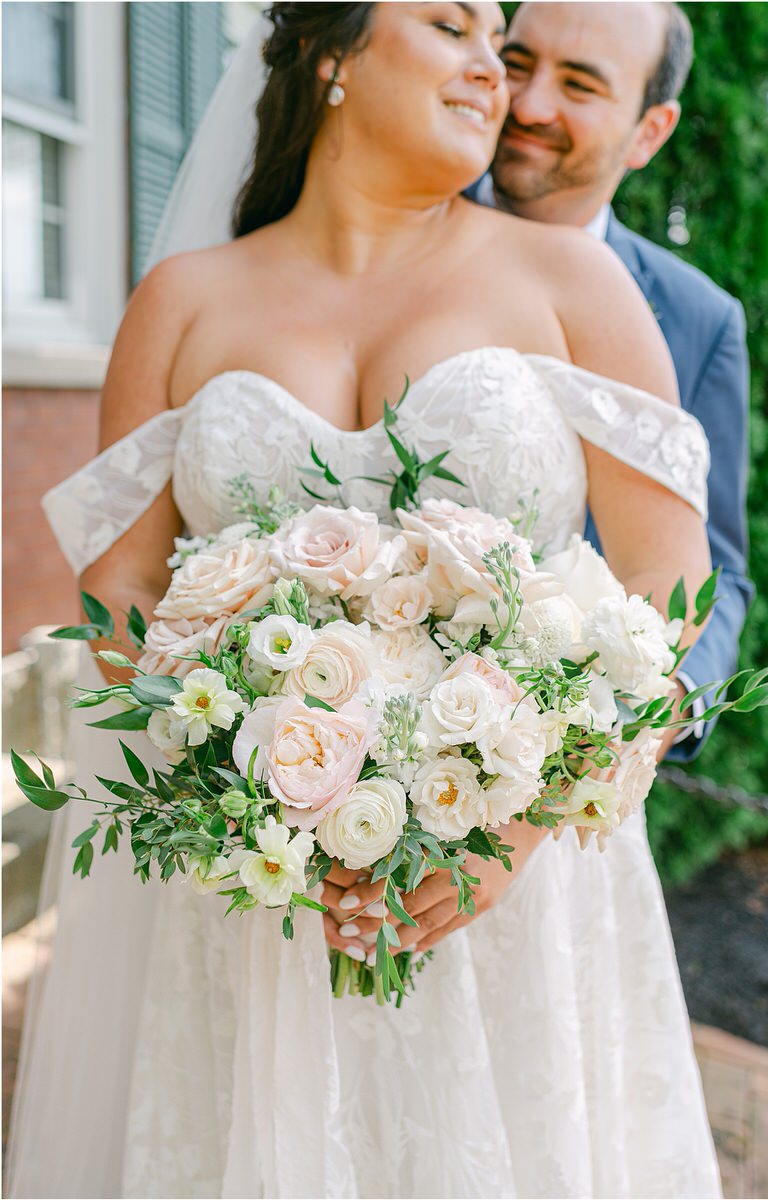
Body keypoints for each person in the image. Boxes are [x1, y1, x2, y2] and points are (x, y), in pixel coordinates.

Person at [8, 5, 721, 1197]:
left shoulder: (569, 280)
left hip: (511, 884)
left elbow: (667, 578)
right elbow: (123, 583)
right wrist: (229, 784)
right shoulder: (180, 301)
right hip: (254, 887)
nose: (493, 70)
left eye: (498, 41)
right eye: (453, 26)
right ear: (333, 53)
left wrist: (516, 824)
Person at [471, 0, 754, 761]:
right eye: (517, 64)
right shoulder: (387, 235)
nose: (530, 105)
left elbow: (717, 568)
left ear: (650, 131)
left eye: (580, 84)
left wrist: (655, 712)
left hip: (565, 762)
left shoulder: (699, 321)